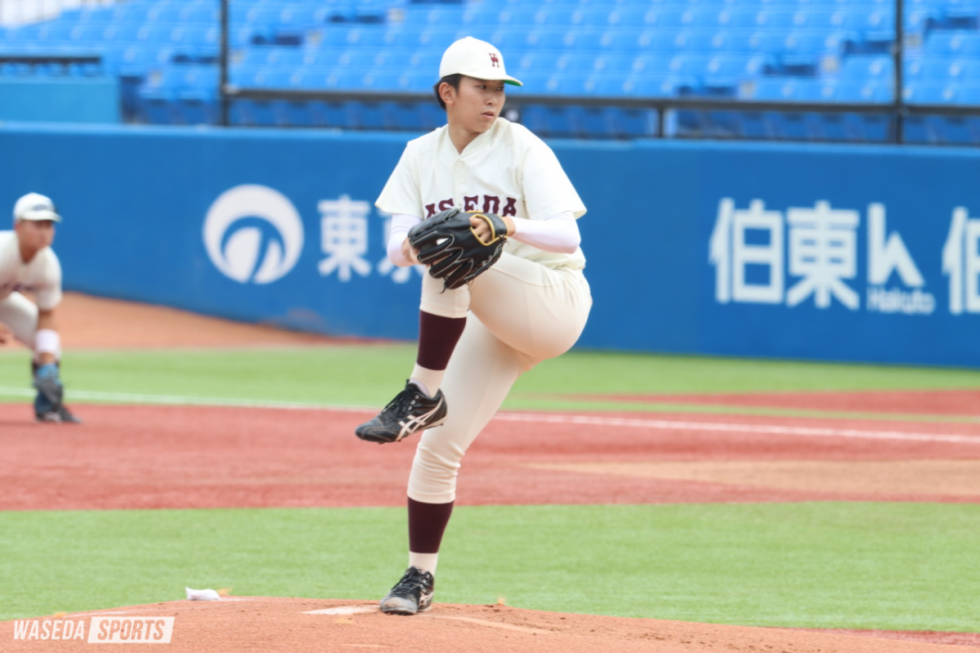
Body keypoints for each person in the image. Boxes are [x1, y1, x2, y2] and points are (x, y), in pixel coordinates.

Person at [355, 36, 592, 615]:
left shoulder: (521, 146)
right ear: (447, 92)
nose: (493, 99)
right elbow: (395, 247)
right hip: (491, 319)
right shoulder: (420, 155)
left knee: (459, 246)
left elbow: (568, 235)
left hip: (552, 299)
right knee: (438, 447)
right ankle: (418, 577)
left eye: (499, 89)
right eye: (480, 87)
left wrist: (504, 227)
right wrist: (425, 240)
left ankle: (421, 392)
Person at [1, 192, 81, 423]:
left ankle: (48, 408)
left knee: (50, 346)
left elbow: (46, 314)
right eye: (37, 225)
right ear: (18, 227)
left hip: (3, 301)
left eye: (48, 225)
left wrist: (47, 365)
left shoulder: (48, 264)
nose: (44, 231)